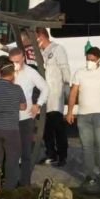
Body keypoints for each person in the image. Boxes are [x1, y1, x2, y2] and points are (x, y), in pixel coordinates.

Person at [66, 47, 100, 188]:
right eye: (88, 59)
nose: (90, 62)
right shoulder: (79, 73)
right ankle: (89, 175)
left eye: (92, 59)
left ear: (99, 59)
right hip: (83, 115)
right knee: (86, 147)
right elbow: (73, 93)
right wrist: (70, 112)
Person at [0, 56, 27, 190]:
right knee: (12, 159)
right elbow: (23, 107)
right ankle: (9, 187)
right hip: (11, 129)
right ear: (13, 73)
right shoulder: (17, 89)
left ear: (0, 73)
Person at [9, 48, 49, 186]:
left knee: (26, 152)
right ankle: (11, 182)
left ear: (23, 59)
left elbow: (45, 88)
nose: (15, 64)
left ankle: (25, 183)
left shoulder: (31, 73)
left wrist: (38, 104)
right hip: (9, 118)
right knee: (12, 153)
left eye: (18, 61)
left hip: (25, 118)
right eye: (12, 62)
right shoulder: (7, 72)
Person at [36, 27, 71, 166]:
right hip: (43, 94)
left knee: (57, 126)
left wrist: (67, 86)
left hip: (55, 93)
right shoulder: (40, 51)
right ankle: (51, 154)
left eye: (36, 37)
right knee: (46, 128)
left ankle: (63, 155)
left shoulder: (57, 49)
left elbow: (64, 68)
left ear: (42, 36)